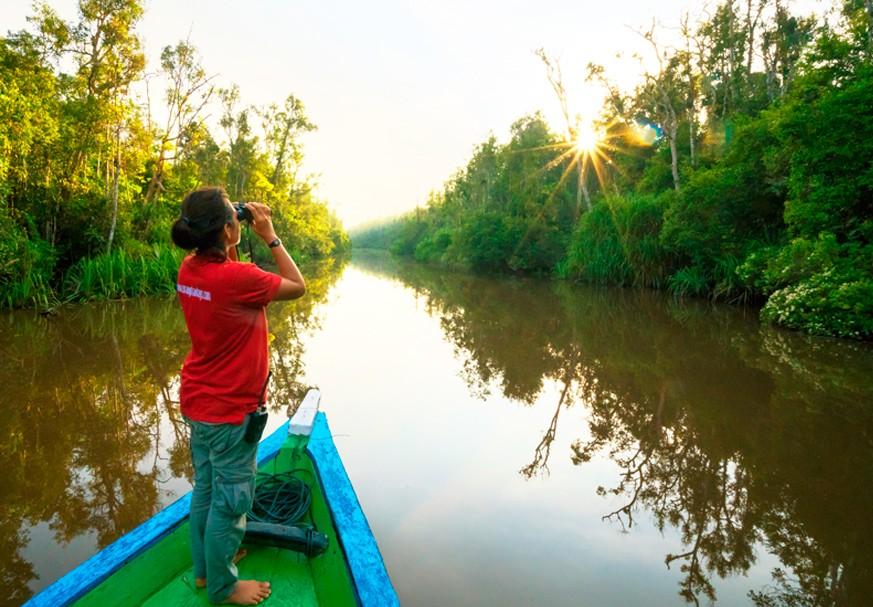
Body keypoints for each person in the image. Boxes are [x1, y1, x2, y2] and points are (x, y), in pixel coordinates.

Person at [170, 186, 306, 605]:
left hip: (198, 403)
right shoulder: (239, 279)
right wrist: (270, 235)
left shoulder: (190, 269)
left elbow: (222, 268)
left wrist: (231, 229)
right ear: (227, 230)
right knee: (231, 503)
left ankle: (204, 571)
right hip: (230, 413)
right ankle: (222, 586)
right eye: (234, 215)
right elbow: (297, 286)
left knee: (207, 491)